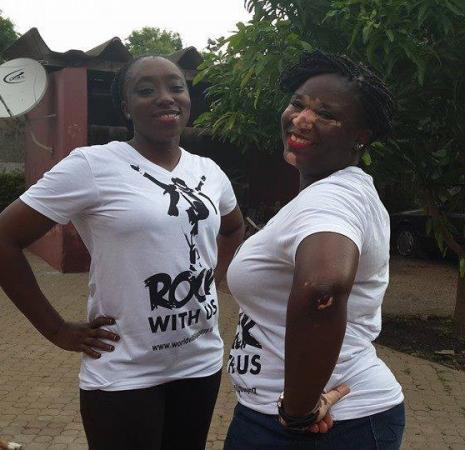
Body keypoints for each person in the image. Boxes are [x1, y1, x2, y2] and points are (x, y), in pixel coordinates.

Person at [0, 55, 244, 450]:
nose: (165, 97)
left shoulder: (209, 171)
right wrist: (56, 329)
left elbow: (233, 227)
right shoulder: (92, 166)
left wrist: (214, 279)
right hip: (124, 371)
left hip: (200, 361)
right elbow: (5, 238)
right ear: (125, 107)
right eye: (146, 90)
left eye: (176, 87)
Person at [224, 51, 405, 449]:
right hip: (289, 416)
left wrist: (299, 408)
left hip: (321, 424)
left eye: (326, 114)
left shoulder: (332, 199)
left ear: (360, 136)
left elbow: (322, 288)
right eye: (298, 103)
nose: (302, 119)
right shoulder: (339, 191)